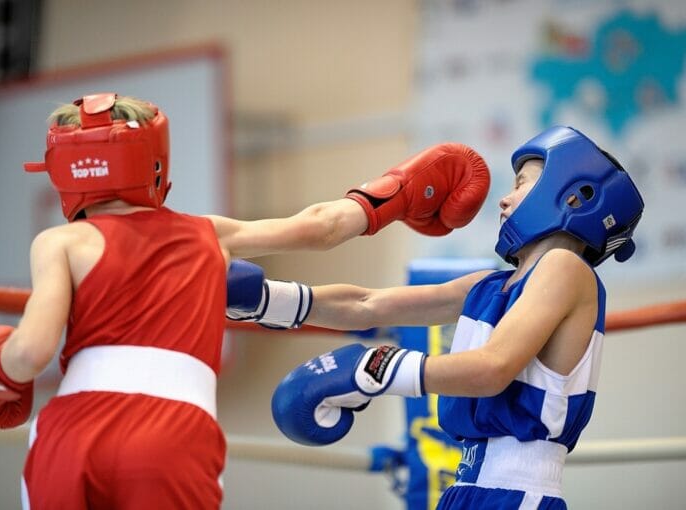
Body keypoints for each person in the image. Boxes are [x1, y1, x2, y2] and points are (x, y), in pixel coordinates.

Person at [0, 92, 490, 509]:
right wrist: (405, 186)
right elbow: (321, 227)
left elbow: (32, 352)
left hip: (76, 425)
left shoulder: (61, 241)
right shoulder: (207, 231)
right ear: (154, 162)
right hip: (175, 431)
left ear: (62, 172)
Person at [227, 126, 644, 509]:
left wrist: (374, 369)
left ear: (574, 195)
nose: (504, 198)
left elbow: (493, 367)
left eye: (521, 184)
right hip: (466, 489)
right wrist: (266, 300)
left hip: (517, 494)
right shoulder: (490, 285)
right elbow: (367, 303)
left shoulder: (566, 269)